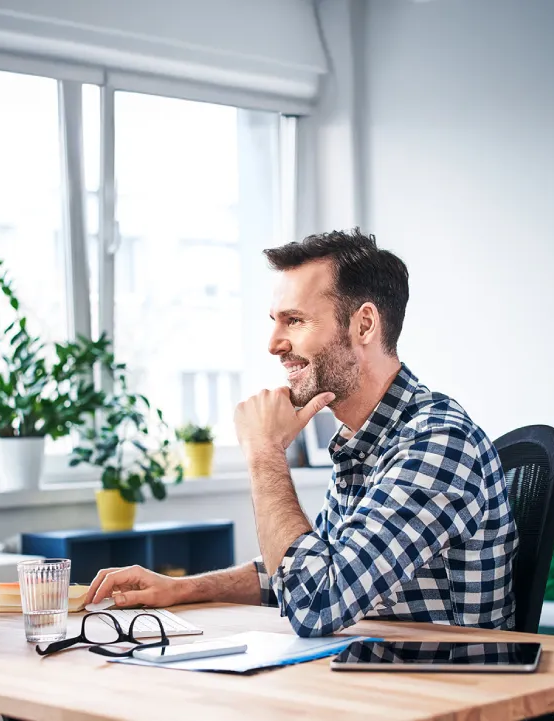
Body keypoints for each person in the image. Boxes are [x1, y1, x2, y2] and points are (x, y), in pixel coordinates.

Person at [88, 228, 517, 637]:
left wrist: (264, 451)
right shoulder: (365, 442)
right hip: (372, 681)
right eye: (276, 321)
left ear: (364, 325)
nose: (273, 344)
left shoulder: (437, 444)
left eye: (294, 321)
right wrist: (183, 588)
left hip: (444, 696)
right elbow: (303, 572)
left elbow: (314, 602)